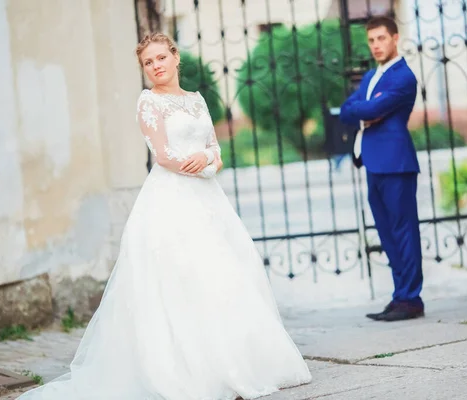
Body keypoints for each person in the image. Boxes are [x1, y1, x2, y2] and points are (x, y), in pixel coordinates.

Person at [17, 33, 311, 400]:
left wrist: (208, 161)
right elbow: (165, 155)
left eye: (160, 58)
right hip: (170, 199)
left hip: (209, 201)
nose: (156, 66)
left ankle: (232, 362)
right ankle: (187, 370)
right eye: (148, 63)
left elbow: (215, 150)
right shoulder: (148, 103)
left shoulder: (196, 99)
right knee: (179, 277)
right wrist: (203, 166)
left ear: (175, 57)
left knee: (219, 275)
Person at [340, 17, 424, 322]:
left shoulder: (402, 77)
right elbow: (347, 110)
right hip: (375, 163)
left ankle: (412, 298)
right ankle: (400, 295)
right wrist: (365, 109)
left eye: (381, 39)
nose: (376, 45)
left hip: (396, 162)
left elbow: (370, 109)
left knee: (404, 231)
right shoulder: (371, 78)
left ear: (395, 38)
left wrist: (368, 108)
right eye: (371, 40)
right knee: (388, 233)